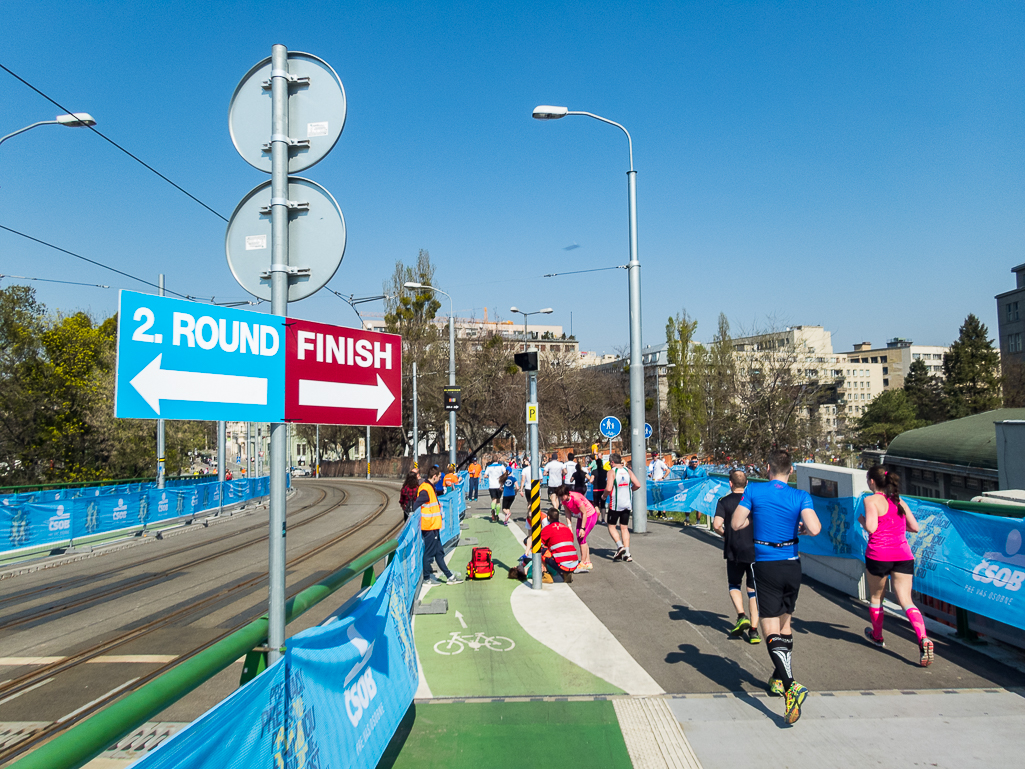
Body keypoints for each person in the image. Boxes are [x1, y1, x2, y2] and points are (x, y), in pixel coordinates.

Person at [731, 449, 821, 725]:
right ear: (790, 471)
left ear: (768, 469)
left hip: (766, 564)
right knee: (785, 625)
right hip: (792, 564)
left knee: (769, 628)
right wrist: (799, 527)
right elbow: (815, 529)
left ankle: (791, 686)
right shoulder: (800, 496)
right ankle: (778, 678)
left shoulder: (755, 492)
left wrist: (753, 518)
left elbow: (736, 523)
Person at [858, 466, 933, 666]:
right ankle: (923, 638)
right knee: (906, 600)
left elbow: (872, 528)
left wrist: (862, 520)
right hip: (903, 554)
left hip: (879, 554)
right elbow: (915, 527)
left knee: (876, 597)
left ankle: (877, 636)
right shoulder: (899, 500)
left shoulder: (870, 500)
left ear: (872, 482)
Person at [712, 470, 760, 644]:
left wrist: (726, 534)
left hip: (734, 549)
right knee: (753, 590)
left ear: (730, 484)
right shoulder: (753, 501)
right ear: (746, 484)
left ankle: (741, 615)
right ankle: (754, 631)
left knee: (734, 584)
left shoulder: (724, 502)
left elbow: (717, 525)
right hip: (754, 549)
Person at [410, 466, 463, 585]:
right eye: (439, 477)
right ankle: (427, 578)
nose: (440, 479)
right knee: (429, 553)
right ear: (434, 477)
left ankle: (449, 576)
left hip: (434, 527)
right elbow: (416, 505)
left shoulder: (429, 487)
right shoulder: (425, 489)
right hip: (429, 527)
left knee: (439, 552)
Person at [606, 453, 641, 562]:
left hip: (616, 504)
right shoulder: (628, 471)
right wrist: (630, 490)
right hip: (627, 503)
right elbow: (638, 484)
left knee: (611, 526)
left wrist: (603, 496)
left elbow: (608, 488)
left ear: (612, 462)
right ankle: (627, 553)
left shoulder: (612, 472)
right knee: (624, 528)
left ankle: (620, 545)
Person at [555, 485, 598, 571]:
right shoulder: (564, 501)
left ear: (566, 494)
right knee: (580, 538)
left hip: (590, 515)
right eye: (559, 497)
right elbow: (567, 513)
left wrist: (583, 528)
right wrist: (569, 525)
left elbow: (584, 512)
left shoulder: (576, 498)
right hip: (581, 516)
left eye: (561, 496)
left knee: (581, 537)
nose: (561, 499)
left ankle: (583, 562)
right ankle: (587, 562)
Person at [537, 508, 578, 582]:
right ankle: (567, 573)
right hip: (574, 563)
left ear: (548, 517)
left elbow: (538, 543)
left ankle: (546, 575)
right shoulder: (566, 527)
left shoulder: (548, 528)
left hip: (562, 565)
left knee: (541, 550)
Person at [681, 456, 709, 525]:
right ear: (691, 462)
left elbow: (705, 479)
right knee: (687, 504)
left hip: (699, 490)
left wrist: (703, 487)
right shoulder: (688, 469)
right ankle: (687, 519)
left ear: (698, 462)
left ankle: (698, 522)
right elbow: (682, 478)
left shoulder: (702, 470)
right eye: (693, 462)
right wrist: (684, 486)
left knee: (699, 506)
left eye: (695, 462)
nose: (694, 463)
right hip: (690, 490)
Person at [590, 454, 609, 525]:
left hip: (596, 490)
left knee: (596, 504)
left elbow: (591, 480)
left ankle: (597, 516)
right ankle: (603, 519)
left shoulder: (594, 471)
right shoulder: (605, 472)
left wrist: (594, 484)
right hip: (603, 489)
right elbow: (607, 480)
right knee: (603, 504)